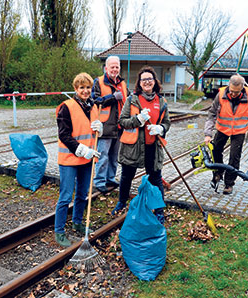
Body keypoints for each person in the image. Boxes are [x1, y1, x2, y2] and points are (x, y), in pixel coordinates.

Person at [111, 66, 171, 224]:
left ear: (154, 81)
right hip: (133, 147)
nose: (147, 82)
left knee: (156, 179)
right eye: (144, 79)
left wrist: (161, 128)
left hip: (153, 147)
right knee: (126, 177)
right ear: (139, 82)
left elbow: (167, 122)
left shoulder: (162, 101)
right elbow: (122, 121)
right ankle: (121, 202)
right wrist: (138, 120)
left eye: (150, 79)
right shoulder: (132, 100)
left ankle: (158, 210)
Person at [54, 72, 103, 247]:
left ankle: (77, 222)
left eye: (88, 87)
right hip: (70, 159)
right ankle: (59, 231)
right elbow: (64, 135)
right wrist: (82, 150)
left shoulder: (93, 106)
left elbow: (92, 132)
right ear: (76, 89)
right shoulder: (66, 107)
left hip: (87, 159)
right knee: (66, 196)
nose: (85, 91)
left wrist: (100, 129)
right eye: (82, 87)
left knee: (83, 194)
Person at [204, 74, 248, 194]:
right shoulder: (221, 95)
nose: (233, 94)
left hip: (239, 131)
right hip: (222, 129)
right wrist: (208, 133)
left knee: (234, 156)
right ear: (229, 86)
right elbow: (212, 114)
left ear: (242, 88)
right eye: (232, 91)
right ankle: (218, 173)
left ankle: (229, 183)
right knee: (215, 151)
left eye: (236, 92)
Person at [91, 55, 129, 193]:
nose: (114, 69)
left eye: (117, 67)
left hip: (119, 127)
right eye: (112, 67)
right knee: (102, 156)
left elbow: (128, 101)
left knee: (114, 157)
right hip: (105, 127)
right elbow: (93, 100)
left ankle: (110, 179)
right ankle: (99, 181)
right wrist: (112, 98)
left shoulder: (122, 84)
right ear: (106, 68)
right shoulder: (98, 82)